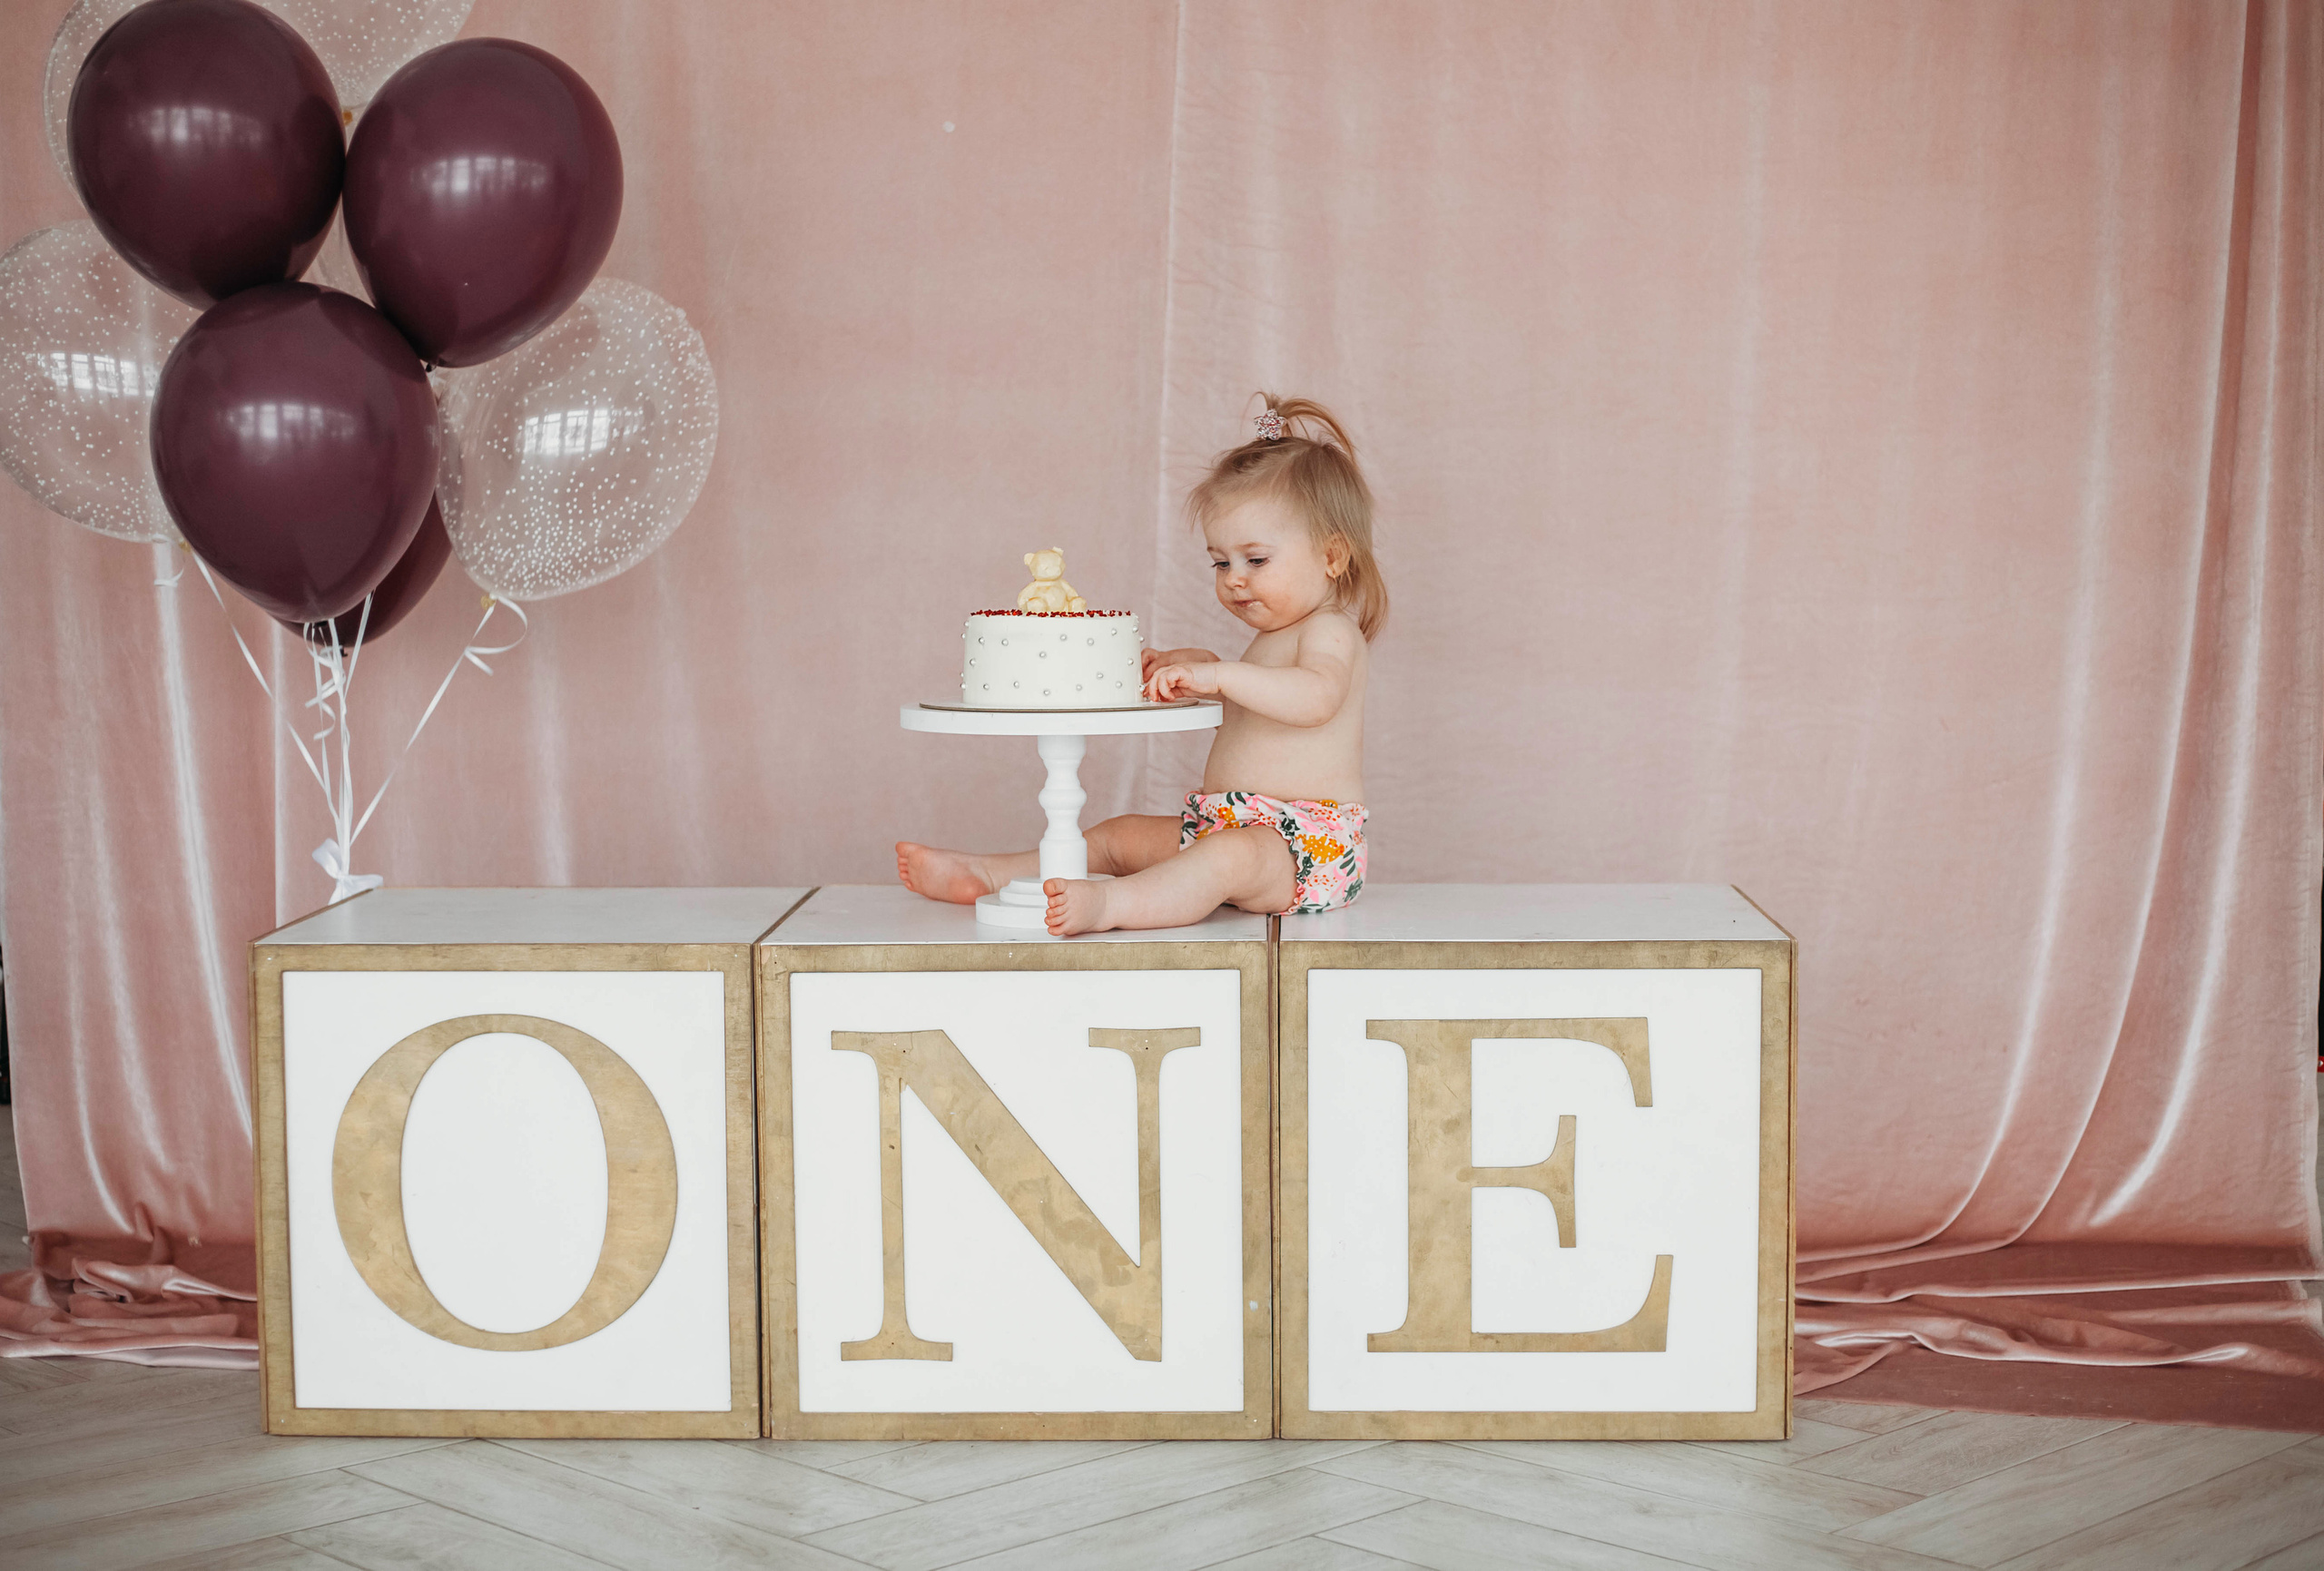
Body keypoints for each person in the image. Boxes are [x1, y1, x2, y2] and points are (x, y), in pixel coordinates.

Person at [899, 395, 1385, 935]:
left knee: (1226, 860)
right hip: (1229, 825)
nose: (1234, 578)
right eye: (1220, 562)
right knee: (1120, 834)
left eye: (1256, 559)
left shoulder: (1331, 631)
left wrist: (1218, 675)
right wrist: (1190, 665)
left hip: (1308, 846)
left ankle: (1111, 907)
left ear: (1333, 557)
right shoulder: (1275, 638)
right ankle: (991, 872)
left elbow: (1314, 697)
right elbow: (1258, 692)